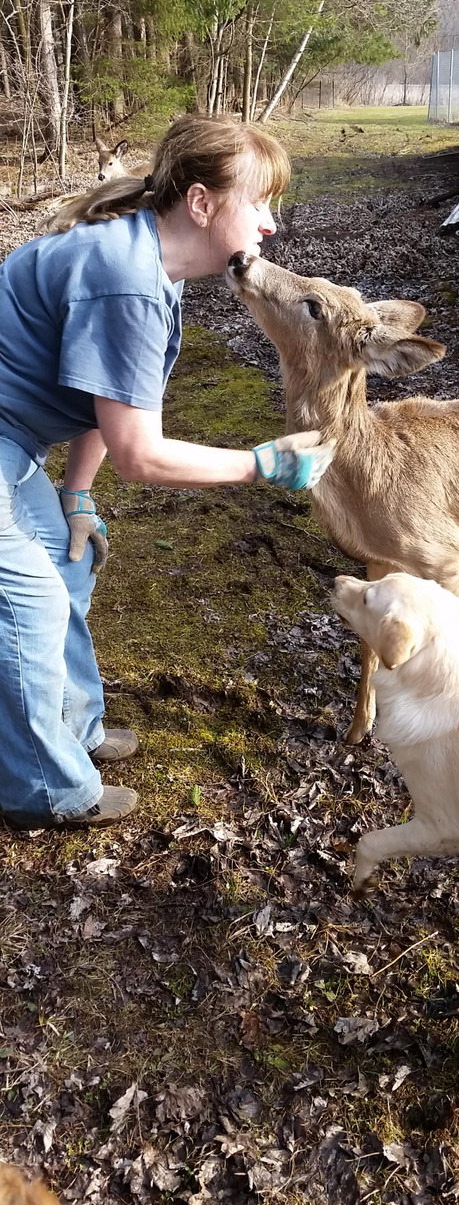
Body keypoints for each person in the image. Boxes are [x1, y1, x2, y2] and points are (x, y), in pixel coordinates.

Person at [0, 113, 333, 833]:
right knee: (30, 606)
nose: (271, 225)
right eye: (261, 201)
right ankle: (42, 790)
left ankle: (75, 730)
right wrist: (261, 464)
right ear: (202, 203)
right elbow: (141, 454)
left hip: (15, 439)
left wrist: (76, 494)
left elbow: (101, 399)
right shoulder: (126, 280)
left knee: (67, 564)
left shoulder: (156, 264)